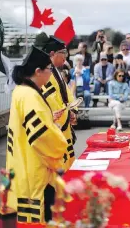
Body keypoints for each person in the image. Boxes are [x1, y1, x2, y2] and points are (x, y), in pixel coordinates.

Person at [6, 46, 68, 223]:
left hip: (21, 162)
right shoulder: (30, 95)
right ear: (38, 71)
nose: (50, 74)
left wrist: (49, 119)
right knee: (39, 218)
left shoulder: (21, 90)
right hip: (34, 167)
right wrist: (59, 147)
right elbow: (42, 137)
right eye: (49, 70)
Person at [41, 36, 76, 171]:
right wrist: (67, 113)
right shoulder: (45, 72)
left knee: (67, 163)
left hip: (64, 118)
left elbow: (66, 93)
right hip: (57, 121)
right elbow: (51, 100)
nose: (65, 58)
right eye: (63, 54)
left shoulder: (55, 70)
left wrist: (73, 110)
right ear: (52, 54)